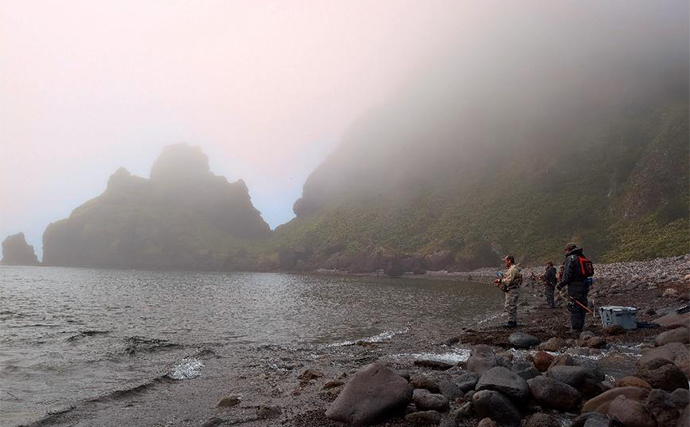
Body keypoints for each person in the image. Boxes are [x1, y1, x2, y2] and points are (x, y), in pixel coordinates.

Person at [557, 243, 591, 332]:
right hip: (585, 284)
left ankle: (576, 328)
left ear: (568, 249)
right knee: (582, 304)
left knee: (574, 305)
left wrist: (560, 285)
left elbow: (567, 275)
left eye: (565, 250)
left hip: (575, 286)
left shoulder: (571, 258)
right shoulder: (582, 257)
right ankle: (581, 326)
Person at [494, 255, 522, 328]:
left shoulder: (513, 269)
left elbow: (509, 281)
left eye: (505, 261)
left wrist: (500, 280)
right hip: (513, 289)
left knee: (510, 306)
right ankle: (513, 321)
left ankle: (511, 323)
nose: (504, 263)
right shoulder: (512, 269)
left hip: (512, 290)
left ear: (509, 261)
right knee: (512, 305)